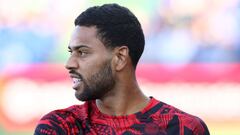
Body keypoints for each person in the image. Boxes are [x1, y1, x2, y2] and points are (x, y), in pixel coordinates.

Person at [34, 3, 210, 135]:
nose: (69, 63)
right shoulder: (59, 127)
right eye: (71, 52)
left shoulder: (184, 129)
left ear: (120, 57)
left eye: (83, 52)